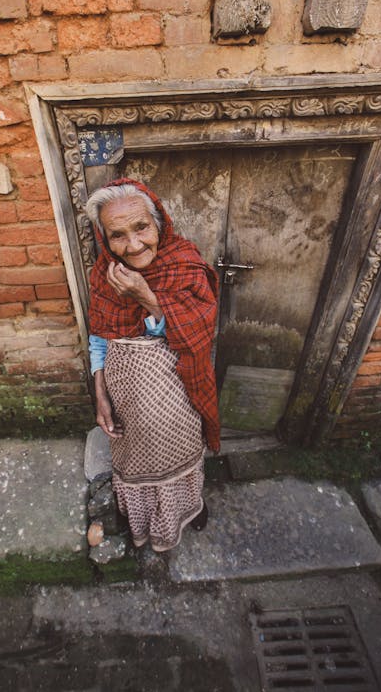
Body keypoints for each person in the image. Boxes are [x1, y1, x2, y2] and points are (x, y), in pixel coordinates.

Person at [85, 178, 220, 553]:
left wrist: (146, 296)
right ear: (105, 238)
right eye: (117, 235)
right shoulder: (104, 274)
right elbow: (100, 336)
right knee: (132, 459)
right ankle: (143, 524)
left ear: (158, 222)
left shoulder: (185, 265)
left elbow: (199, 329)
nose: (133, 245)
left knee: (181, 453)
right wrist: (99, 394)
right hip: (124, 393)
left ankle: (189, 509)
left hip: (178, 390)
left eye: (141, 227)